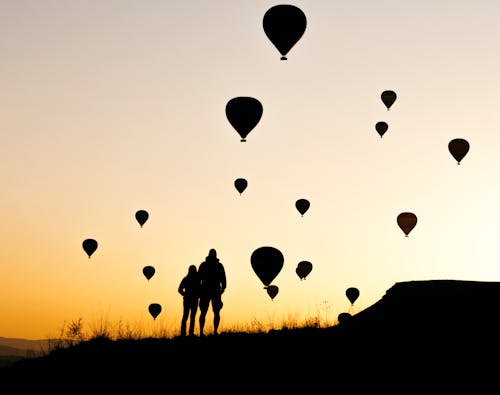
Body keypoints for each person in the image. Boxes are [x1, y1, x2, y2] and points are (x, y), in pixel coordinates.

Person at [198, 248, 226, 336]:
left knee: (215, 312)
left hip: (214, 291)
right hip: (207, 291)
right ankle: (202, 332)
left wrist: (222, 289)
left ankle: (213, 331)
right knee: (204, 312)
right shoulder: (205, 265)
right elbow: (199, 279)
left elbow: (223, 279)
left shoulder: (218, 265)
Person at [178, 264, 200, 336]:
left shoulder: (193, 279)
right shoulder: (188, 279)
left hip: (192, 300)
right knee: (188, 316)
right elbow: (179, 290)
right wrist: (186, 295)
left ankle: (187, 333)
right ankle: (186, 333)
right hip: (190, 300)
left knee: (188, 316)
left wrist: (185, 295)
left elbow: (180, 290)